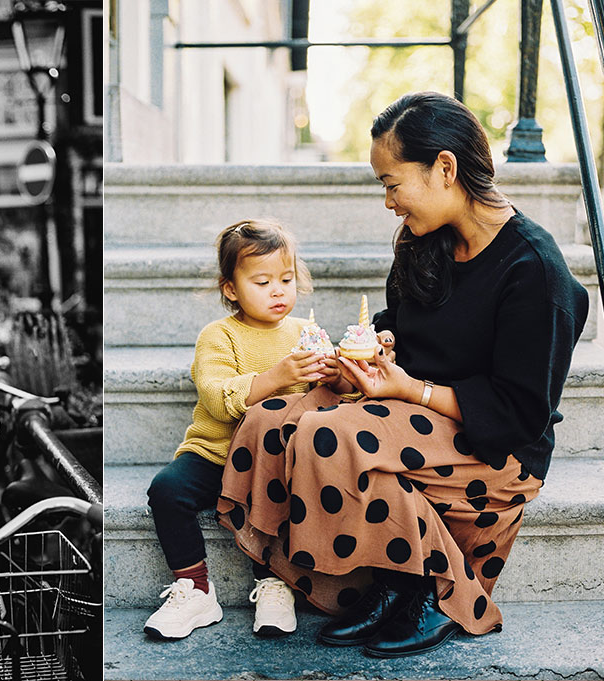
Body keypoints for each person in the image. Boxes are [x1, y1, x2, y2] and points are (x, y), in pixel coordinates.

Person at [217, 91, 588, 658]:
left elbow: (518, 412)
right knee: (271, 420)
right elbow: (404, 326)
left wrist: (408, 388)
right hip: (414, 419)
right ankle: (384, 587)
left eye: (392, 183)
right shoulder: (426, 241)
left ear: (445, 167)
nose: (389, 202)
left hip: (495, 450)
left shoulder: (534, 271)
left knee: (333, 434)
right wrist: (374, 351)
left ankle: (433, 593)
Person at [143, 219, 356, 640]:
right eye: (262, 281)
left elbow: (337, 401)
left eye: (286, 278)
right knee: (167, 490)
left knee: (288, 490)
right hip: (216, 454)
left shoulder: (306, 333)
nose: (278, 290)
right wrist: (276, 376)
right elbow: (219, 399)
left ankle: (275, 580)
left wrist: (339, 376)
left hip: (274, 460)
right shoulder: (219, 336)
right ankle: (196, 587)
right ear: (231, 289)